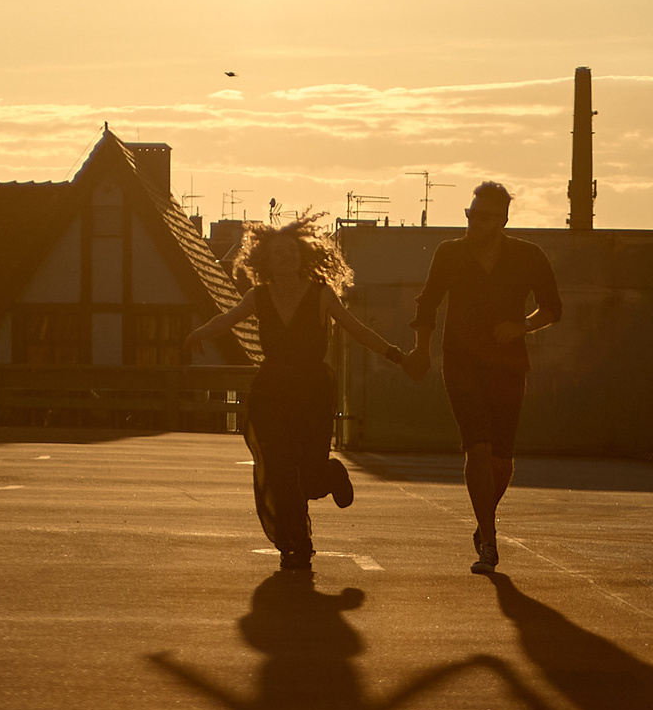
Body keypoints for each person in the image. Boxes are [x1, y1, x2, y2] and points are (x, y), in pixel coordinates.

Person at [188, 215, 411, 571]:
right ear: (266, 260)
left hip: (311, 392)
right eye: (278, 254)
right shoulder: (258, 296)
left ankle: (331, 475)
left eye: (291, 252)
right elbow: (226, 319)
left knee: (307, 474)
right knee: (278, 470)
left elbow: (356, 330)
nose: (286, 259)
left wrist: (396, 354)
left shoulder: (320, 294)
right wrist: (198, 334)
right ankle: (296, 543)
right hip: (272, 391)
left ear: (301, 255)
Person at [402, 181, 561, 574]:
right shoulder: (450, 254)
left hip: (508, 365)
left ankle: (482, 521)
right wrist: (421, 349)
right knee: (478, 449)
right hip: (461, 363)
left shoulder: (528, 256)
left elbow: (552, 308)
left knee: (503, 462)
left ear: (502, 220)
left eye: (484, 217)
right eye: (470, 215)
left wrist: (522, 326)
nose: (474, 222)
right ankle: (488, 541)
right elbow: (428, 303)